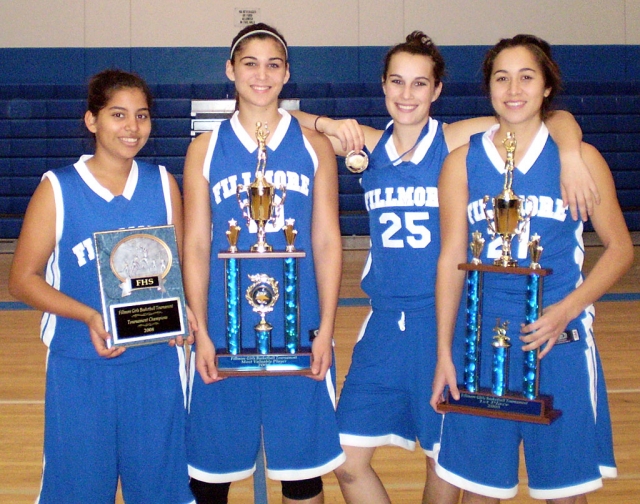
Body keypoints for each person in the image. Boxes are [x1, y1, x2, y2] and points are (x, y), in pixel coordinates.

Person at [293, 31, 597, 504]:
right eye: (397, 82)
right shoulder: (369, 146)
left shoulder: (457, 140)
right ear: (383, 86)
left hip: (448, 322)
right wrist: (330, 122)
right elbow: (280, 120)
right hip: (384, 326)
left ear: (436, 91)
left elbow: (549, 115)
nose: (406, 94)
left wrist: (573, 153)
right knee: (345, 458)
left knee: (446, 463)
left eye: (420, 84)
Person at [430, 34, 633, 503]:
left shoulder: (579, 160)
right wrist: (444, 349)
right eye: (501, 77)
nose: (513, 87)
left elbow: (621, 249)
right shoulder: (461, 163)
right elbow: (450, 261)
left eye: (527, 76)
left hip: (557, 346)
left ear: (546, 87)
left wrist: (567, 310)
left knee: (564, 493)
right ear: (489, 88)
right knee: (480, 492)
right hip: (479, 349)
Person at [8, 69, 194, 503]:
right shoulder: (59, 188)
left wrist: (184, 314)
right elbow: (21, 280)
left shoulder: (164, 184)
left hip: (156, 365)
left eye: (142, 116)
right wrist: (90, 315)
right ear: (92, 120)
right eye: (118, 114)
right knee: (78, 492)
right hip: (80, 366)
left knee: (161, 492)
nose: (132, 127)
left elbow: (179, 268)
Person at [182, 23, 345, 504]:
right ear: (230, 70)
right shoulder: (204, 149)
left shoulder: (316, 146)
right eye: (250, 63)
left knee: (302, 473)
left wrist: (328, 328)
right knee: (209, 474)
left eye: (273, 64)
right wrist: (201, 330)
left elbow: (327, 241)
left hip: (301, 325)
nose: (262, 74)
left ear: (287, 73)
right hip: (222, 324)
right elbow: (194, 244)